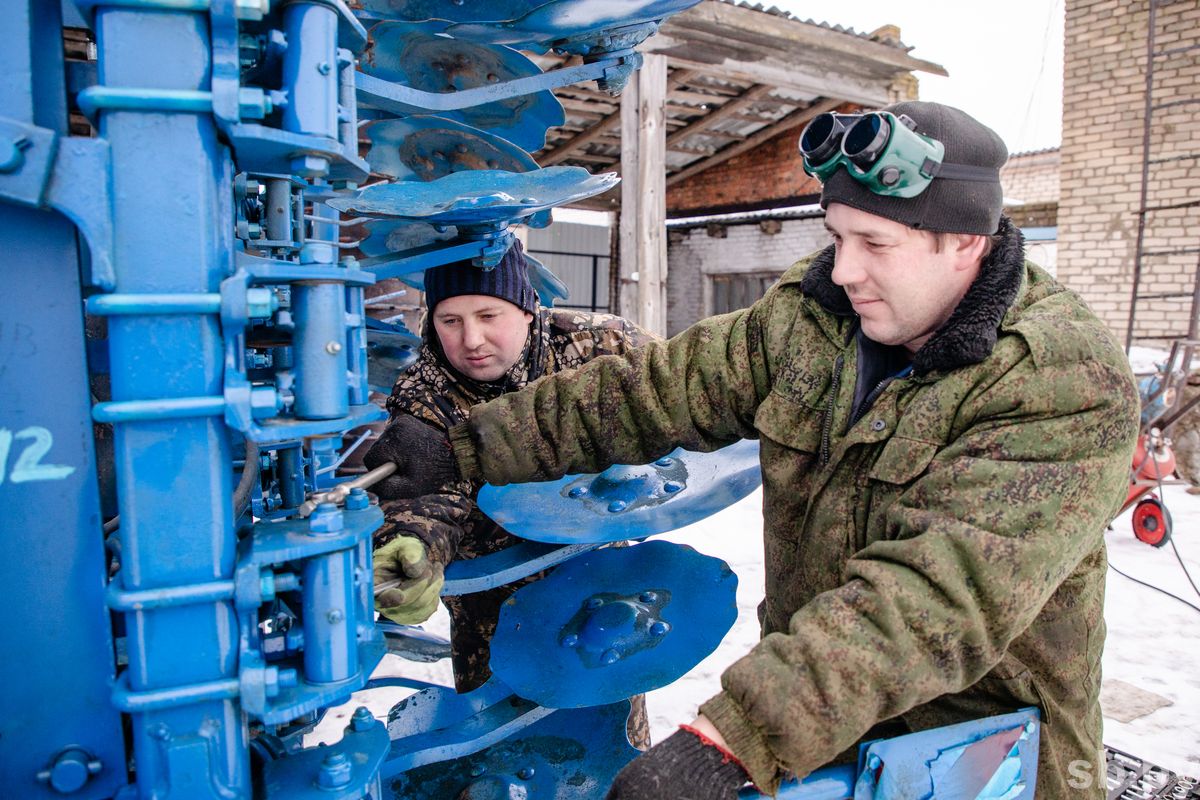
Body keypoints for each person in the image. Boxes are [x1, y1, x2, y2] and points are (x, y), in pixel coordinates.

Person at [367, 102, 1141, 799]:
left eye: (875, 242)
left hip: (975, 756)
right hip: (822, 730)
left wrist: (733, 741)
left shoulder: (1060, 380)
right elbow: (652, 392)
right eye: (837, 237)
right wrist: (463, 447)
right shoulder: (814, 321)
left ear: (967, 241)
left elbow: (935, 602)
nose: (845, 270)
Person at [362, 241, 656, 746]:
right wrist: (413, 545)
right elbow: (427, 496)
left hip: (600, 591)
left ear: (526, 308)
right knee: (501, 759)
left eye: (487, 314)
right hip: (492, 615)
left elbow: (676, 408)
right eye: (449, 320)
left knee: (611, 744)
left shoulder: (603, 347)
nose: (470, 339)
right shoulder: (425, 390)